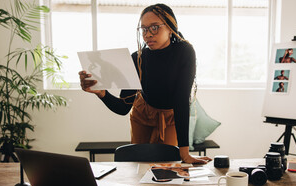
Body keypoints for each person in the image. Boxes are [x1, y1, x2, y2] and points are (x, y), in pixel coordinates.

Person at [79, 4, 212, 164]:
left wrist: (185, 154)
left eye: (154, 28)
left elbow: (181, 101)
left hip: (170, 118)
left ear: (170, 28)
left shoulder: (184, 52)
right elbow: (123, 108)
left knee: (167, 168)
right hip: (142, 115)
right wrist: (102, 93)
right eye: (143, 29)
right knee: (139, 166)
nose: (147, 34)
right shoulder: (137, 59)